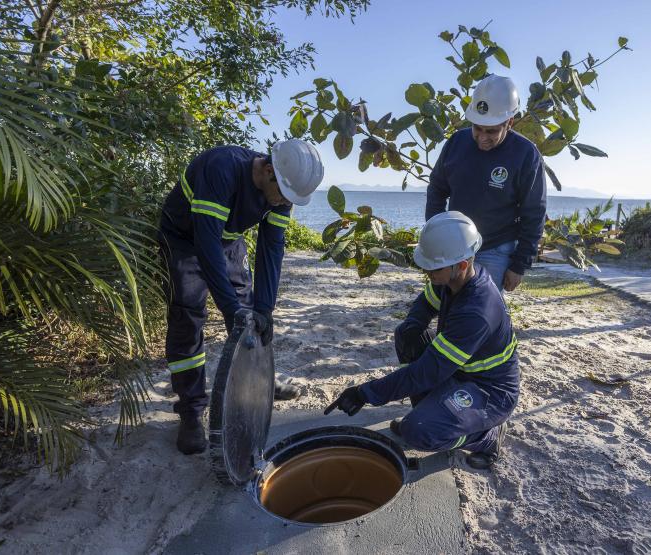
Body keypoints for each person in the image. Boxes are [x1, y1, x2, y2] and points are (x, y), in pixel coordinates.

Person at [158, 140, 324, 455]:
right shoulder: (221, 168)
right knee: (187, 318)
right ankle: (191, 411)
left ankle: (258, 384)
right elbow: (205, 245)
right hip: (183, 239)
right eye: (283, 195)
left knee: (252, 315)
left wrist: (265, 308)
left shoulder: (283, 193)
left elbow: (272, 246)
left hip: (227, 241)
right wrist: (230, 308)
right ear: (267, 170)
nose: (282, 203)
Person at [325, 211, 519, 469]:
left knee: (419, 432)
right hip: (459, 374)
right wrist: (413, 326)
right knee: (406, 334)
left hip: (489, 392)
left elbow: (424, 373)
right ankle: (431, 412)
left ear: (461, 264)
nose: (427, 272)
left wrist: (365, 393)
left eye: (433, 268)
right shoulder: (451, 279)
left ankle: (486, 436)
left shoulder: (477, 312)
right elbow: (424, 305)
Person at [425, 74, 547, 293]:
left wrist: (520, 264)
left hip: (496, 249)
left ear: (509, 122)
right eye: (477, 128)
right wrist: (437, 234)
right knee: (446, 304)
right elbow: (436, 190)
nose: (482, 137)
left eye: (491, 131)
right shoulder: (456, 143)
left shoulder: (526, 155)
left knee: (482, 309)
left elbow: (534, 213)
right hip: (454, 248)